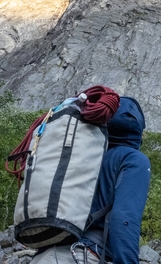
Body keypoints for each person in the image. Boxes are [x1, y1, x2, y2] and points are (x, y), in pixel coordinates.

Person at [31, 96, 151, 263]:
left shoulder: (80, 155)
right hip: (80, 255)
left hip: (44, 255)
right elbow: (124, 219)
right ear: (138, 130)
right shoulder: (132, 159)